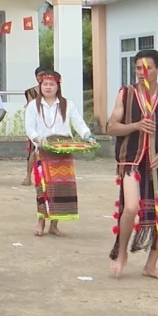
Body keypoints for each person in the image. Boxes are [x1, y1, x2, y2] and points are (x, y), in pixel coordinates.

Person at [106, 50, 158, 281]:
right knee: (131, 208)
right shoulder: (126, 94)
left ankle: (151, 265)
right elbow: (111, 127)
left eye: (147, 67)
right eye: (138, 68)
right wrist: (137, 125)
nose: (142, 72)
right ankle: (121, 255)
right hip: (132, 160)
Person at [24, 70, 94, 237]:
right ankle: (41, 221)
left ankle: (54, 225)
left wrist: (88, 136)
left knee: (61, 189)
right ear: (40, 86)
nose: (48, 87)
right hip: (44, 151)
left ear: (58, 86)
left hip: (64, 152)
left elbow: (78, 122)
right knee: (43, 189)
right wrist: (40, 140)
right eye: (45, 84)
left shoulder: (67, 104)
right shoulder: (33, 105)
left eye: (52, 84)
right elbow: (29, 129)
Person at [21, 67, 46, 186]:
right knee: (32, 150)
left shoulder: (51, 90)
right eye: (39, 75)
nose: (40, 78)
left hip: (49, 123)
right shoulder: (30, 92)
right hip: (35, 124)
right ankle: (28, 177)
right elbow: (33, 106)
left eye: (43, 75)